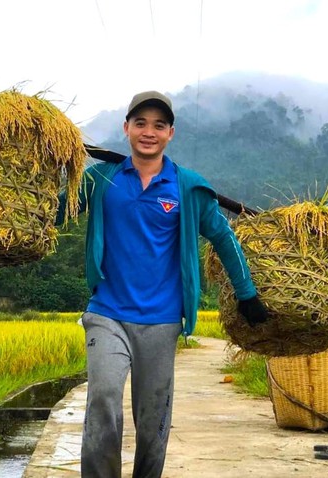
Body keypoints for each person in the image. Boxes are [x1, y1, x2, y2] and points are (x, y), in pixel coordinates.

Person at [56, 90, 268, 478]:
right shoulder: (100, 179)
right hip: (107, 313)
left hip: (162, 319)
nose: (148, 132)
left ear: (171, 133)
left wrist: (247, 294)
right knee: (102, 398)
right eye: (140, 123)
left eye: (158, 125)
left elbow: (224, 238)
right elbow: (55, 214)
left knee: (153, 421)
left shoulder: (187, 187)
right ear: (126, 129)